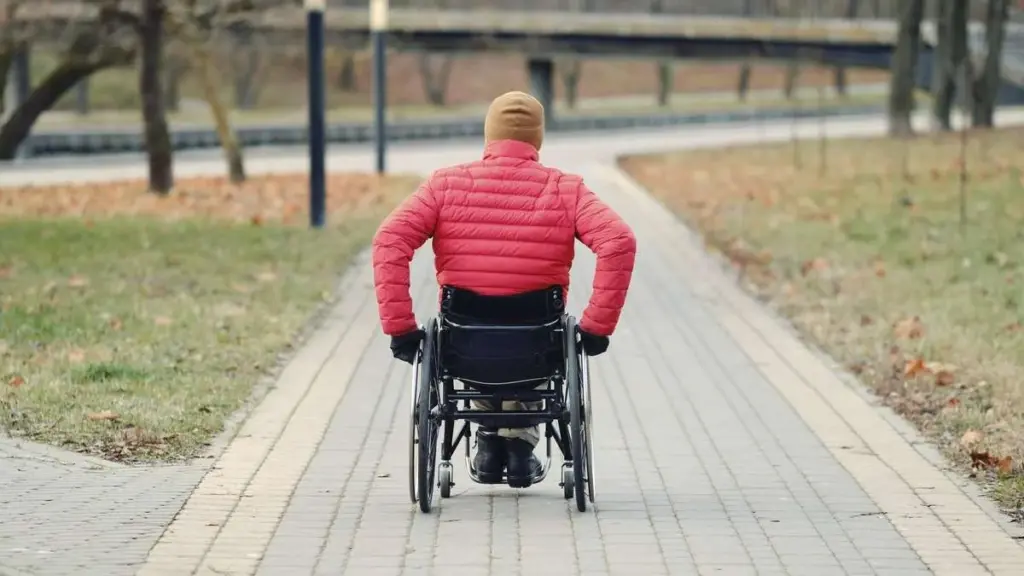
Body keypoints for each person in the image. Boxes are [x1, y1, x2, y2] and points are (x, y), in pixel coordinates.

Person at [371, 90, 636, 488]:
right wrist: (598, 327)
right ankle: (518, 447)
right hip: (536, 341)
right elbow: (619, 241)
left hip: (465, 341)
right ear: (537, 138)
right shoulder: (567, 189)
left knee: (479, 341)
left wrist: (401, 328)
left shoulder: (445, 185)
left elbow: (389, 239)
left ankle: (490, 444)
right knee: (533, 346)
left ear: (489, 135)